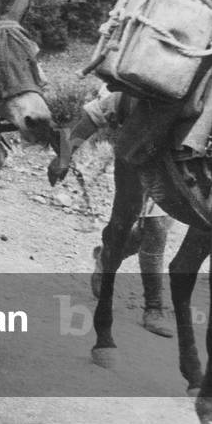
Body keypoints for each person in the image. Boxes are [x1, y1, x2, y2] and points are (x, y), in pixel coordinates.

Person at [50, 87, 175, 337]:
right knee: (135, 225)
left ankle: (112, 265)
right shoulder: (139, 87)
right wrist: (64, 156)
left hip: (176, 169)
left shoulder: (199, 88)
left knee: (152, 232)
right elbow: (94, 116)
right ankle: (149, 303)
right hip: (133, 161)